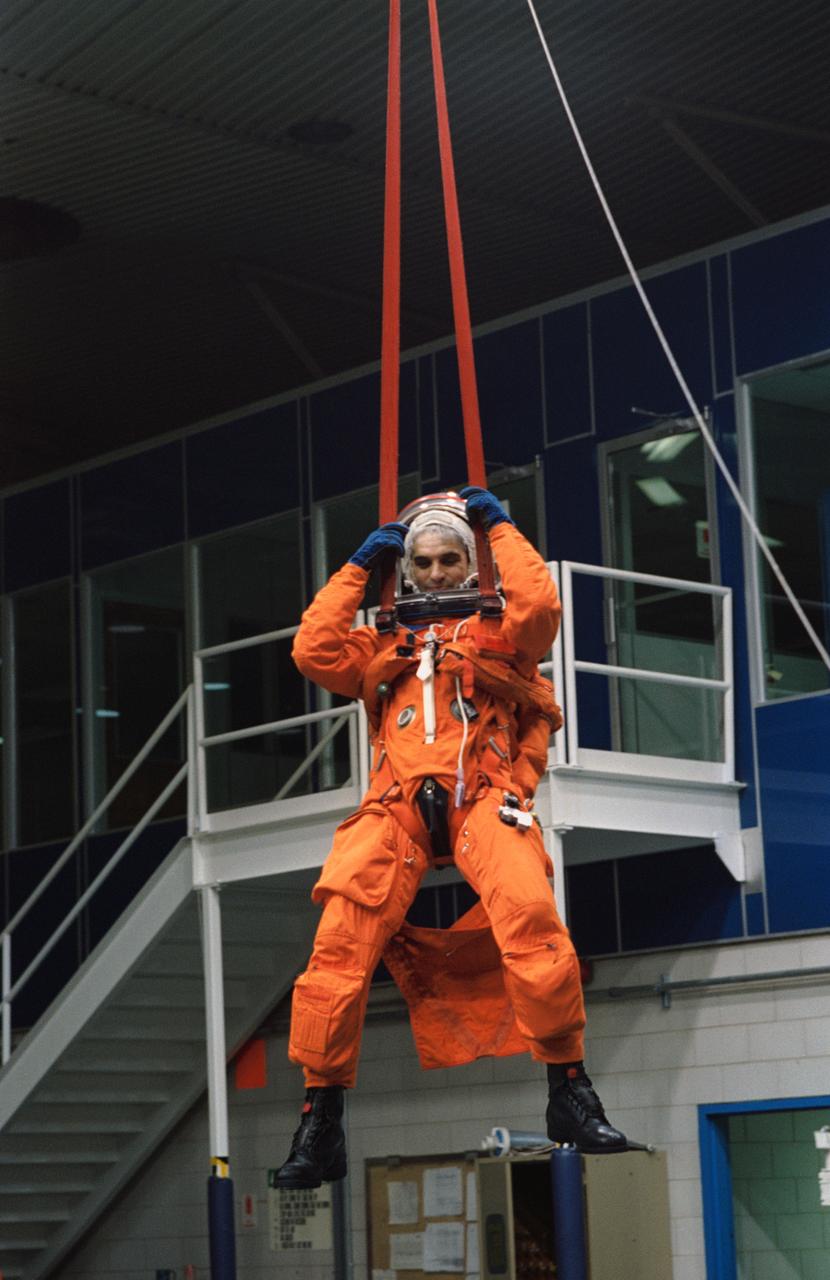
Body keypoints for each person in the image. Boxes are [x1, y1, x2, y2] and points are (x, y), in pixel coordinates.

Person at [274, 488, 627, 1190]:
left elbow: (541, 608)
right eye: (423, 562)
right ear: (405, 572)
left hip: (483, 801)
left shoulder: (504, 638)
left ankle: (570, 1089)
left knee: (532, 920)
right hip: (396, 809)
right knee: (336, 952)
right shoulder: (381, 645)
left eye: (449, 559)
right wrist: (354, 569)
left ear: (471, 563)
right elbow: (312, 650)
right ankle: (321, 1120)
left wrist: (498, 525)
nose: (435, 573)